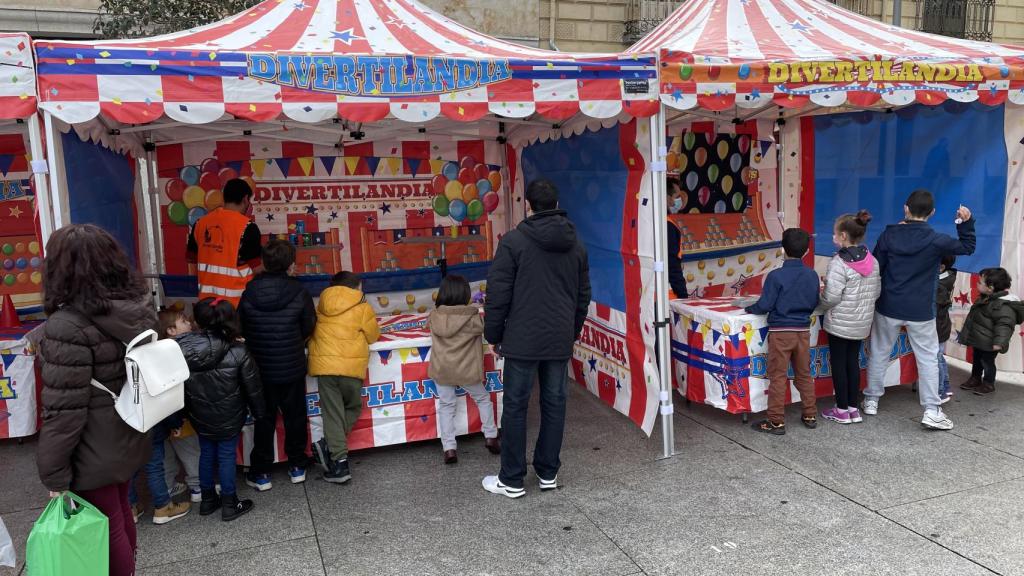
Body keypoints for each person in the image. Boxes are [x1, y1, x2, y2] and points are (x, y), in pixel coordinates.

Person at [37, 224, 157, 576]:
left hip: (92, 443)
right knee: (119, 512)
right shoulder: (135, 308)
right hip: (128, 428)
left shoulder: (66, 325)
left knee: (107, 524)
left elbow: (63, 411)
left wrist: (54, 475)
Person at [482, 179, 591, 498]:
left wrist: (493, 333)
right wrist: (571, 331)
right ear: (556, 204)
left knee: (515, 406)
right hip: (558, 337)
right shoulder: (577, 243)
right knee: (554, 404)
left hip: (521, 339)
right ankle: (547, 473)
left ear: (528, 206)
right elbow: (583, 295)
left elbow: (498, 293)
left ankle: (512, 479)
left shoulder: (513, 242)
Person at [865, 191, 975, 430]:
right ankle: (932, 409)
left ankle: (871, 399)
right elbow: (967, 247)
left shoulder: (888, 235)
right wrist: (965, 223)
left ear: (905, 208)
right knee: (927, 360)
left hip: (889, 305)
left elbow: (876, 267)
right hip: (921, 309)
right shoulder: (936, 240)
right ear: (932, 213)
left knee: (879, 352)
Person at [178, 298, 265, 522]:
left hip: (198, 413)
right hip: (230, 413)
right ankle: (229, 502)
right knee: (226, 454)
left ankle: (207, 500)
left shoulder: (181, 349)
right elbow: (252, 387)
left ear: (197, 320)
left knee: (206, 452)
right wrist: (259, 412)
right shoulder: (238, 350)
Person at [239, 239, 316, 490]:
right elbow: (309, 325)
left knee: (264, 418)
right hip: (292, 365)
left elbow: (242, 328)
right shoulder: (299, 291)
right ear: (291, 264)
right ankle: (297, 465)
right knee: (295, 417)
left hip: (260, 368)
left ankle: (261, 472)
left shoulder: (249, 292)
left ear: (262, 262)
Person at [744, 228, 821, 435]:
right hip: (803, 331)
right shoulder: (812, 275)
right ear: (806, 252)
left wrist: (750, 308)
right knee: (804, 374)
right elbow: (814, 301)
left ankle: (776, 421)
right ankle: (810, 414)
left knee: (778, 376)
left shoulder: (775, 276)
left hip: (781, 332)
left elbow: (765, 304)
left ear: (782, 249)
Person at [307, 271, 380, 484]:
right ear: (355, 287)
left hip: (325, 368)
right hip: (351, 368)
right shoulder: (363, 306)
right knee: (354, 407)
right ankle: (339, 464)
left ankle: (330, 449)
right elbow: (373, 335)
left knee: (332, 415)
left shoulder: (320, 305)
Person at [428, 274, 500, 464]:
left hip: (442, 369)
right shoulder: (473, 317)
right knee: (483, 399)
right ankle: (491, 436)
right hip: (468, 370)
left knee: (446, 406)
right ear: (466, 294)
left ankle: (449, 448)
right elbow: (487, 328)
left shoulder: (435, 316)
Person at [819, 211, 880, 425]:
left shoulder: (838, 263)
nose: (833, 237)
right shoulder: (872, 260)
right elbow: (876, 292)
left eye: (835, 233)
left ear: (843, 236)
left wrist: (819, 305)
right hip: (861, 323)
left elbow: (831, 297)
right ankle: (853, 408)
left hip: (839, 323)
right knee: (853, 363)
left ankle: (841, 410)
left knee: (838, 363)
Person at [187, 178, 262, 307]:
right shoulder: (248, 227)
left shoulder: (200, 223)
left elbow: (191, 260)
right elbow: (257, 269)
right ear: (245, 199)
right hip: (236, 305)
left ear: (224, 198)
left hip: (206, 304)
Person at [957, 268, 1024, 395]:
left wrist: (999, 342)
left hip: (990, 343)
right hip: (979, 340)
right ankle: (975, 378)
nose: (977, 284)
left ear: (991, 287)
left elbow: (1005, 325)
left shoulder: (1003, 305)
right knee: (977, 360)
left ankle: (988, 383)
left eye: (980, 282)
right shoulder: (985, 299)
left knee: (987, 363)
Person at [936, 255, 958, 402]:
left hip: (937, 327)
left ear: (941, 267)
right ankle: (946, 385)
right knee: (939, 357)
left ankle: (940, 392)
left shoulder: (939, 285)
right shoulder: (947, 277)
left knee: (935, 359)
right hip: (941, 326)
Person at [666, 178, 689, 300]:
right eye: (676, 196)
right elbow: (672, 264)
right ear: (667, 197)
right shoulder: (667, 225)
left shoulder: (649, 219)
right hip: (667, 292)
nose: (679, 200)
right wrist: (683, 295)